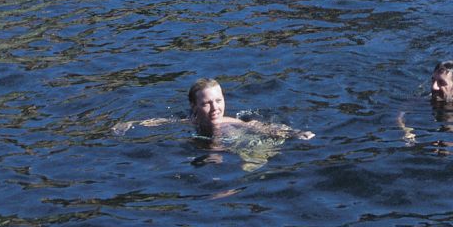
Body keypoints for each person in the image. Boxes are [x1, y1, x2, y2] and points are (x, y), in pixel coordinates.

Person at [113, 78, 315, 141]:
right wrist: (130, 123)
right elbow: (158, 122)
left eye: (218, 100)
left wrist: (296, 133)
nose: (215, 108)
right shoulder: (189, 122)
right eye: (206, 103)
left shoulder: (231, 121)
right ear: (193, 106)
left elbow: (261, 126)